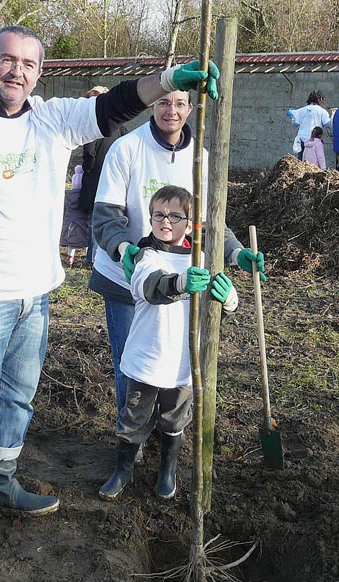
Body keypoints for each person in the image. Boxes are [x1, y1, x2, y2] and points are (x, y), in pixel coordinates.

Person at [0, 24, 221, 549]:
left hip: (36, 291)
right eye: (8, 60)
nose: (17, 72)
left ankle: (3, 481)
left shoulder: (54, 120)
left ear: (39, 73)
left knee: (18, 397)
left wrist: (168, 78)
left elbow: (118, 104)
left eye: (29, 64)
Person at [89, 90, 267, 454]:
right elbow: (105, 215)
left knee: (171, 359)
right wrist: (126, 249)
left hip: (179, 276)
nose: (172, 110)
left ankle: (163, 434)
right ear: (152, 104)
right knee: (132, 363)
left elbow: (209, 224)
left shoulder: (199, 159)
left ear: (191, 109)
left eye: (180, 104)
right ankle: (132, 441)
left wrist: (236, 254)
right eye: (164, 102)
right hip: (126, 275)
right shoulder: (126, 149)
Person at [98, 186, 238, 501]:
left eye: (175, 217)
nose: (165, 222)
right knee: (134, 415)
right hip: (148, 358)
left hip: (184, 362)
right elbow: (149, 287)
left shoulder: (202, 257)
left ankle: (168, 468)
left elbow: (214, 314)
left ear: (190, 224)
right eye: (158, 215)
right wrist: (179, 283)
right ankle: (123, 468)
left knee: (175, 417)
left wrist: (227, 299)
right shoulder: (146, 255)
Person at [78, 85, 128, 268]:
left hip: (96, 177)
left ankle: (92, 257)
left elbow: (89, 153)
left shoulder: (92, 126)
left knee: (94, 219)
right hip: (114, 177)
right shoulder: (119, 126)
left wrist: (87, 169)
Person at [288, 90, 332, 159]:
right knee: (313, 162)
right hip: (314, 139)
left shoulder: (302, 110)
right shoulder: (322, 111)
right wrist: (333, 116)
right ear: (320, 100)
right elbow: (328, 124)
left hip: (302, 138)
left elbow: (295, 123)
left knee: (301, 161)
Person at [61, 165, 87, 266]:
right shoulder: (85, 198)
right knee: (86, 240)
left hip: (71, 225)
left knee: (71, 243)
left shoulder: (68, 196)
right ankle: (87, 257)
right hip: (83, 222)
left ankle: (70, 258)